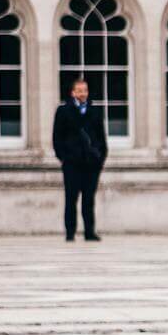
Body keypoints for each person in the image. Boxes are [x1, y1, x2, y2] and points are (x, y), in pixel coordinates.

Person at [51, 76, 107, 242]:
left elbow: (101, 137)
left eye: (85, 90)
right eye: (80, 90)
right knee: (71, 199)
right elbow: (57, 138)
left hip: (91, 163)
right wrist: (63, 158)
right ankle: (70, 232)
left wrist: (100, 158)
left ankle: (89, 232)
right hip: (72, 163)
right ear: (73, 92)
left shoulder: (95, 111)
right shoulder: (63, 111)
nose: (83, 94)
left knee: (89, 199)